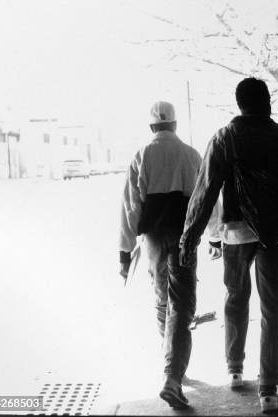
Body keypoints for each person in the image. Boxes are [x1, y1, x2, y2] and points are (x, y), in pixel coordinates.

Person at [180, 78, 278, 413]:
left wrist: (190, 238)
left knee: (236, 298)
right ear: (266, 101)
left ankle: (235, 369)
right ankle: (268, 391)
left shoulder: (224, 137)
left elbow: (205, 191)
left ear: (239, 104)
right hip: (276, 233)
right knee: (273, 308)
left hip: (236, 231)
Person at [118, 101, 202, 409]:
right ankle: (172, 374)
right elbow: (204, 200)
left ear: (152, 127)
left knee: (162, 299)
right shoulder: (191, 155)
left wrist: (124, 253)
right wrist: (217, 238)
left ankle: (171, 365)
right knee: (182, 305)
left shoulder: (142, 156)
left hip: (152, 239)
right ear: (175, 125)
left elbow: (130, 208)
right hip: (183, 237)